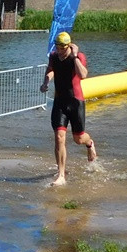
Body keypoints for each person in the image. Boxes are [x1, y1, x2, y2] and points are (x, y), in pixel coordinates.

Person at [40, 31, 97, 187]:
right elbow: (51, 69)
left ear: (68, 46)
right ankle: (61, 175)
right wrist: (46, 82)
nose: (59, 51)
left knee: (79, 139)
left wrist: (75, 56)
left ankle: (90, 143)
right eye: (57, 47)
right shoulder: (53, 56)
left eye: (62, 48)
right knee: (59, 137)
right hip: (60, 102)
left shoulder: (78, 57)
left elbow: (83, 75)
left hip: (76, 102)